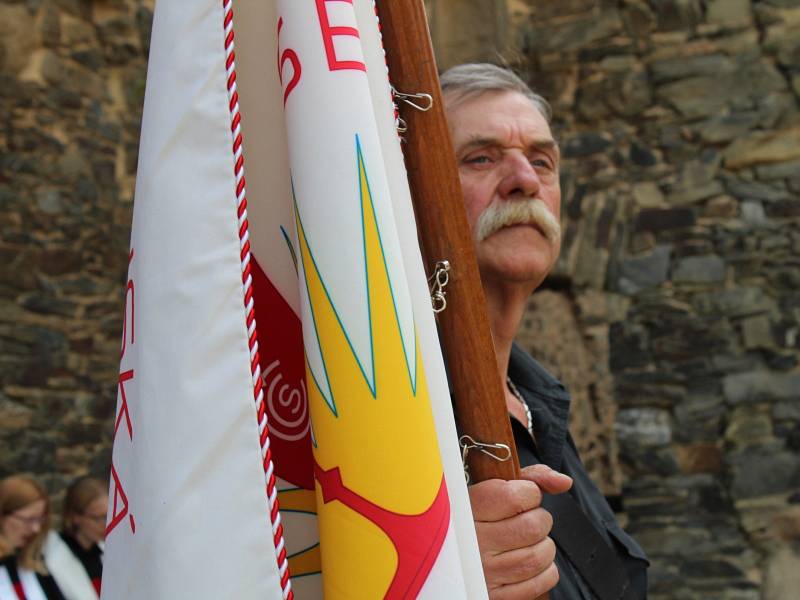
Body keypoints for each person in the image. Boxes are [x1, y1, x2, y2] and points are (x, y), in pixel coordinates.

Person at [440, 63, 649, 600]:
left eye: (541, 161)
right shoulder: (386, 407)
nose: (525, 181)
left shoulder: (540, 401)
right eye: (480, 158)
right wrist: (435, 577)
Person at [0, 476, 66, 599]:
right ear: (3, 515)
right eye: (29, 519)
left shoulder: (34, 565)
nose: (36, 529)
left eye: (40, 520)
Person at [42, 477, 106, 600]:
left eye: (109, 516)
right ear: (75, 517)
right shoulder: (52, 554)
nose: (106, 524)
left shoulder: (104, 549)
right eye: (99, 518)